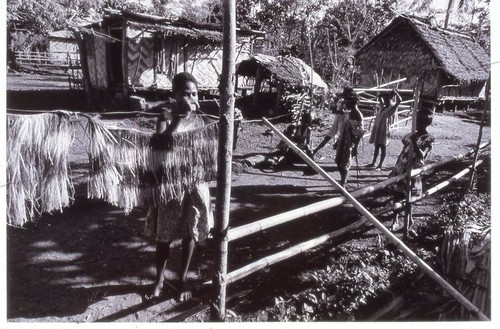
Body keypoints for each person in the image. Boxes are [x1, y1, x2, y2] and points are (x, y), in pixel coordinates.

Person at [146, 72, 213, 300]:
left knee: (189, 232)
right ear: (174, 95)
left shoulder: (203, 119)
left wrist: (236, 125)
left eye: (194, 93)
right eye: (185, 93)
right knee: (164, 235)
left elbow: (218, 148)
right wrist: (177, 119)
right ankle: (159, 278)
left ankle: (182, 277)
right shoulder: (165, 116)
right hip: (171, 185)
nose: (191, 98)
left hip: (195, 183)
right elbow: (158, 146)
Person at [389, 107, 435, 232]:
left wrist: (415, 142)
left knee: (409, 195)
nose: (416, 124)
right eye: (415, 121)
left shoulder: (428, 138)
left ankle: (408, 219)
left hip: (413, 169)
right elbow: (405, 145)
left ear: (425, 123)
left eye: (419, 121)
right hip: (401, 166)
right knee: (397, 194)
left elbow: (423, 155)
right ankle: (395, 220)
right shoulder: (411, 134)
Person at [335, 87, 365, 187]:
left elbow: (359, 133)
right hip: (342, 141)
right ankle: (342, 179)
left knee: (345, 163)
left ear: (353, 103)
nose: (346, 104)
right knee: (338, 162)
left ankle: (343, 181)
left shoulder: (357, 115)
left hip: (349, 143)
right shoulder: (348, 113)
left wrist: (355, 147)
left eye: (347, 102)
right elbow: (344, 129)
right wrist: (337, 141)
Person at [367, 89, 402, 170]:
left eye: (388, 99)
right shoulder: (382, 106)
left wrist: (396, 93)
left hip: (384, 130)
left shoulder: (392, 107)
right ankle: (373, 162)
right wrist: (384, 94)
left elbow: (399, 101)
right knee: (376, 146)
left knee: (383, 147)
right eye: (385, 99)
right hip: (378, 129)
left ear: (390, 100)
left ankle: (380, 165)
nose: (386, 101)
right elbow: (379, 97)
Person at [313, 92, 349, 158]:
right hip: (337, 120)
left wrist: (339, 111)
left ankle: (339, 157)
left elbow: (345, 112)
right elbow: (336, 110)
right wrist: (334, 109)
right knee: (328, 136)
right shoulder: (340, 101)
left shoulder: (347, 103)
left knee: (340, 139)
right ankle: (315, 150)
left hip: (342, 121)